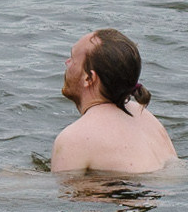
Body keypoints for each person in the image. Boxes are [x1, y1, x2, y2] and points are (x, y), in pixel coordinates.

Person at [51, 30, 179, 174]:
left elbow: (64, 192)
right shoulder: (145, 116)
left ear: (89, 78)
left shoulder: (73, 139)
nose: (66, 63)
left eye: (72, 59)